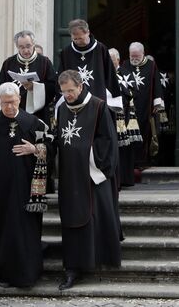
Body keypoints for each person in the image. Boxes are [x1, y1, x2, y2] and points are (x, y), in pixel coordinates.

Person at [0, 82, 51, 288]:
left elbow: (51, 147)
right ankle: (4, 273)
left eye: (13, 102)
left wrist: (35, 149)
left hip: (27, 189)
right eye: (5, 103)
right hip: (0, 191)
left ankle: (29, 273)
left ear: (20, 100)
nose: (9, 107)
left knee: (26, 231)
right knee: (3, 231)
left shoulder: (32, 122)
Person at [55, 70, 122, 290]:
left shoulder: (99, 107)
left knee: (94, 218)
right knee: (72, 220)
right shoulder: (62, 108)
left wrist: (87, 155)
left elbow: (108, 140)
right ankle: (72, 267)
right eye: (64, 92)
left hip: (92, 174)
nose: (67, 95)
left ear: (81, 86)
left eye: (71, 91)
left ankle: (97, 260)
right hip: (69, 176)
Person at [0, 30, 57, 124]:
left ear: (33, 44)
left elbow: (53, 86)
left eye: (28, 46)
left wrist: (34, 87)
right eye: (21, 47)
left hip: (38, 113)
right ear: (17, 47)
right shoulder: (8, 63)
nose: (25, 50)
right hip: (13, 112)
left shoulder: (45, 62)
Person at [58, 19, 122, 111]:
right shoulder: (66, 52)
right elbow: (62, 76)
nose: (77, 41)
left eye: (80, 38)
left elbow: (110, 75)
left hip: (97, 101)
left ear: (88, 32)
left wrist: (115, 97)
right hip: (74, 101)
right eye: (74, 39)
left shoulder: (101, 49)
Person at [121, 42, 164, 168]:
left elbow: (157, 83)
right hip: (129, 107)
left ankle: (142, 161)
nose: (133, 59)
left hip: (146, 106)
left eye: (136, 56)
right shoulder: (125, 64)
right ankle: (130, 162)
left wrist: (157, 103)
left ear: (143, 54)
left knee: (145, 133)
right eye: (131, 56)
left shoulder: (151, 65)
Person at [110, 48, 138, 188]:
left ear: (118, 60)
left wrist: (121, 89)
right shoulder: (104, 73)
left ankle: (125, 178)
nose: (110, 62)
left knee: (124, 148)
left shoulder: (126, 73)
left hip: (125, 116)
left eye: (112, 59)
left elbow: (132, 91)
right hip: (109, 115)